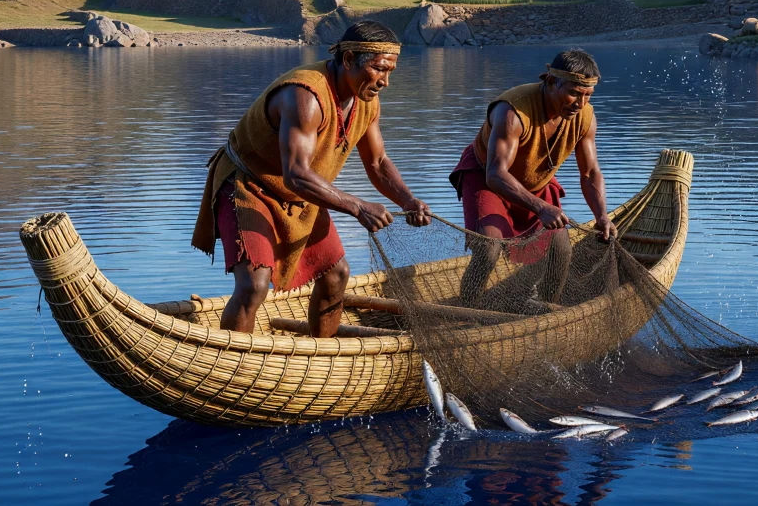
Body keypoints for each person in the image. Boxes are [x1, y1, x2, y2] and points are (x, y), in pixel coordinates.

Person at [191, 20, 431, 336]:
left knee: (336, 275)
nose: (385, 81)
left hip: (301, 192)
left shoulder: (366, 101)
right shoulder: (305, 97)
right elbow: (296, 175)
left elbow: (377, 161)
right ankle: (233, 359)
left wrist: (408, 200)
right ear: (349, 60)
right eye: (378, 69)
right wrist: (358, 207)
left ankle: (322, 353)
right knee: (253, 285)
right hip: (250, 185)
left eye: (390, 72)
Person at [449, 49, 613, 305]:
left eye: (588, 95)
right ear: (551, 82)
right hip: (487, 177)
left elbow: (590, 172)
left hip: (536, 180)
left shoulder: (585, 118)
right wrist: (541, 208)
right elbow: (495, 174)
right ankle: (468, 308)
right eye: (574, 93)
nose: (580, 103)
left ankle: (548, 309)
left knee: (560, 248)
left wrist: (602, 216)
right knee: (488, 248)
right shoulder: (513, 112)